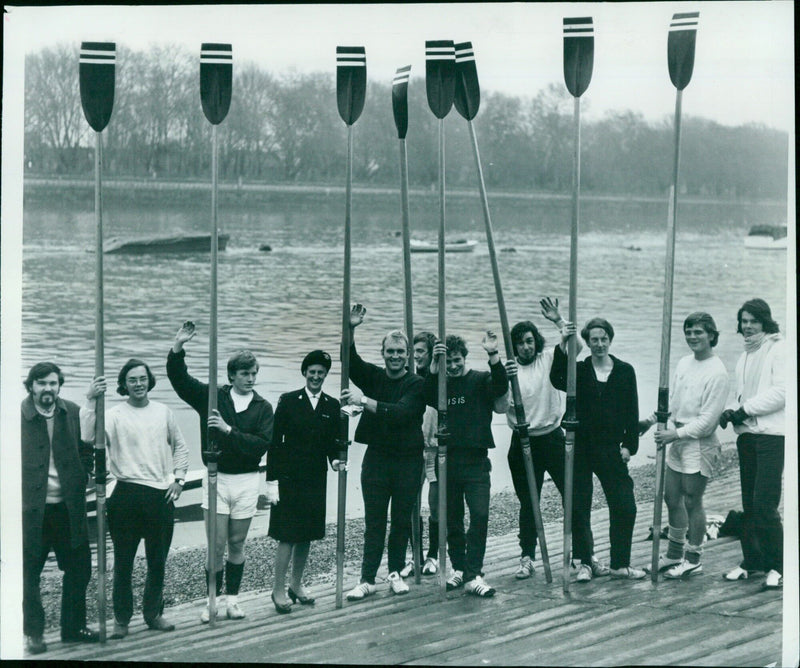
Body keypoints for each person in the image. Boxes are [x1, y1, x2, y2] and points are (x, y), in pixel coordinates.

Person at [167, 322, 273, 622]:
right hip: (217, 478)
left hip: (247, 481)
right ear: (232, 375)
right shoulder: (213, 397)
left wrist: (227, 431)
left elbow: (259, 446)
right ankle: (211, 601)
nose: (250, 379)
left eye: (254, 374)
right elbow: (180, 380)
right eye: (244, 374)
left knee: (237, 543)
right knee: (216, 545)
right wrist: (178, 348)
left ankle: (233, 600)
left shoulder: (263, 407)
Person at [81, 359, 189, 636]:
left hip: (159, 494)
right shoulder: (114, 414)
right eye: (132, 380)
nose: (138, 384)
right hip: (125, 495)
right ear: (124, 384)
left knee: (157, 561)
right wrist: (91, 399)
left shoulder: (163, 412)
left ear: (149, 381)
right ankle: (122, 619)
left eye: (142, 378)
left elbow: (180, 448)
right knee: (123, 562)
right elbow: (87, 435)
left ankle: (153, 614)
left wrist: (179, 480)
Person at [504, 298, 597, 581]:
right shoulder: (510, 370)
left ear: (537, 342)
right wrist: (499, 374)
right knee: (528, 502)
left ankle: (584, 558)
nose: (525, 347)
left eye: (530, 341)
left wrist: (558, 321)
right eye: (519, 343)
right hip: (522, 442)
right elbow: (497, 405)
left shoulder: (548, 359)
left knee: (574, 497)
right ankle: (527, 557)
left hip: (552, 438)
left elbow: (576, 347)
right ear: (514, 346)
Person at [340, 304, 426, 601]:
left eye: (400, 352)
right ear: (383, 353)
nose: (395, 356)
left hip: (408, 461)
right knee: (374, 522)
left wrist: (363, 401)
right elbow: (349, 361)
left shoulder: (417, 383)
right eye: (390, 351)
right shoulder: (375, 378)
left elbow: (401, 414)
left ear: (408, 356)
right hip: (376, 459)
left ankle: (395, 572)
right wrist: (350, 329)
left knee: (401, 520)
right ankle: (366, 579)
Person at [550, 312, 646, 581]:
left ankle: (620, 564)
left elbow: (631, 410)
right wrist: (562, 341)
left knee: (624, 504)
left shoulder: (625, 371)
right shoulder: (578, 370)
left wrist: (630, 445)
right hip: (580, 446)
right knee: (579, 504)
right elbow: (556, 378)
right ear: (587, 342)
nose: (599, 344)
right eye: (594, 339)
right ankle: (584, 563)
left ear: (610, 340)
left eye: (604, 339)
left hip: (610, 448)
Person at [640, 313, 729, 579]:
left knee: (692, 500)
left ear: (711, 335)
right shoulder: (683, 363)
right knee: (670, 497)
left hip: (698, 443)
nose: (692, 337)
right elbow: (674, 404)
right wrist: (651, 420)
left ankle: (694, 558)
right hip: (677, 437)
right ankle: (674, 554)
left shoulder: (718, 372)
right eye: (688, 331)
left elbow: (707, 423)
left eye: (699, 332)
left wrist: (673, 435)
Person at [21, 362, 98, 655]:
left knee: (79, 568)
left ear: (59, 385)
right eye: (41, 383)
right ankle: (34, 633)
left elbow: (88, 445)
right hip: (32, 513)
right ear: (31, 386)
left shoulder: (74, 412)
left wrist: (86, 472)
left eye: (53, 383)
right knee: (28, 573)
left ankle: (73, 627)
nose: (48, 389)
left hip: (69, 508)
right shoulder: (17, 416)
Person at [424, 331, 509, 597]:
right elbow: (424, 395)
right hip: (447, 459)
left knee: (480, 515)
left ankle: (474, 574)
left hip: (475, 461)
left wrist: (494, 355)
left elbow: (501, 388)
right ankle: (460, 569)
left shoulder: (480, 380)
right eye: (448, 362)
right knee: (452, 520)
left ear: (464, 357)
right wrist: (433, 369)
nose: (453, 366)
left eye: (457, 360)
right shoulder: (440, 386)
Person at [266, 350, 344, 614]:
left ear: (325, 375)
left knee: (307, 535)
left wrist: (335, 461)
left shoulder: (332, 406)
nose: (316, 376)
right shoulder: (288, 401)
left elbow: (333, 444)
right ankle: (277, 590)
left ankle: (296, 585)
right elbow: (275, 444)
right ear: (304, 373)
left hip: (315, 480)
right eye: (312, 372)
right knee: (286, 535)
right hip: (289, 479)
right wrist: (271, 482)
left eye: (321, 373)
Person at [719, 298, 785, 590]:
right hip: (747, 435)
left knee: (764, 504)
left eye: (753, 321)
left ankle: (779, 566)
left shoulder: (779, 348)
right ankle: (753, 561)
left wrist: (745, 410)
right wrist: (732, 410)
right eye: (743, 321)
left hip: (772, 435)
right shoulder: (745, 355)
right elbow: (744, 395)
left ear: (765, 322)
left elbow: (782, 392)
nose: (747, 327)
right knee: (748, 503)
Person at [399, 331, 440, 578]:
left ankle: (433, 555)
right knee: (411, 504)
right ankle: (415, 555)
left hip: (434, 448)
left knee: (435, 504)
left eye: (421, 351)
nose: (417, 356)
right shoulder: (408, 379)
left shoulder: (438, 379)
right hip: (413, 448)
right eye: (414, 352)